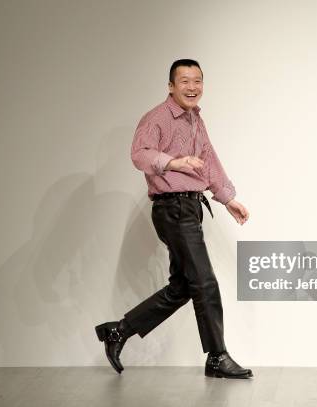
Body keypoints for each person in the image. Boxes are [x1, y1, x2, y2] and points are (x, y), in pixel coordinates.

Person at [95, 59, 252, 379]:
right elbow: (139, 154)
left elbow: (209, 161)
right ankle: (217, 356)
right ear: (171, 86)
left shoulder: (196, 121)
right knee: (205, 282)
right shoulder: (157, 118)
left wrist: (228, 199)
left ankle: (119, 331)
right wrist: (172, 162)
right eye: (185, 81)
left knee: (183, 287)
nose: (192, 87)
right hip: (173, 208)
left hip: (191, 207)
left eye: (197, 81)